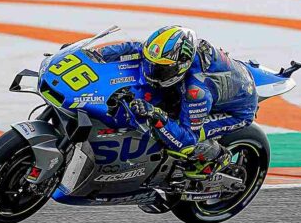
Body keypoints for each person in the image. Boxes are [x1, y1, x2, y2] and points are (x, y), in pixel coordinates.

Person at [99, 25, 258, 180]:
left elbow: (186, 139)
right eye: (150, 65)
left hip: (237, 112)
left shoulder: (196, 92)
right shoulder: (169, 55)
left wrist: (156, 115)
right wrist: (94, 54)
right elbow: (134, 48)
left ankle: (218, 156)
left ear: (182, 66)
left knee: (179, 141)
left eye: (161, 70)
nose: (151, 72)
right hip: (218, 82)